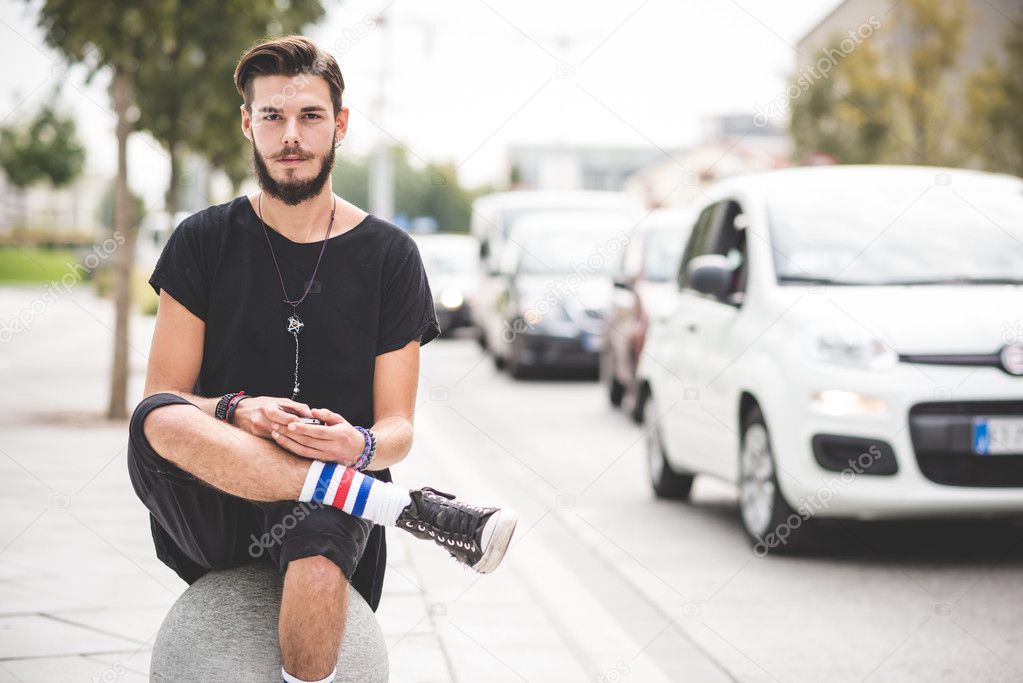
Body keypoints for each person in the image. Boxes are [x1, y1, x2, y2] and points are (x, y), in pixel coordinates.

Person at [126, 35, 517, 683]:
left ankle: (348, 494)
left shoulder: (390, 256)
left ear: (339, 125)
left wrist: (358, 442)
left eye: (309, 116)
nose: (291, 136)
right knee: (153, 418)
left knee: (317, 542)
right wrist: (237, 409)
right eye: (272, 116)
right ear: (247, 123)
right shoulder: (200, 241)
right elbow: (165, 399)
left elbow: (396, 430)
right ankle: (408, 511)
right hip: (215, 496)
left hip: (328, 508)